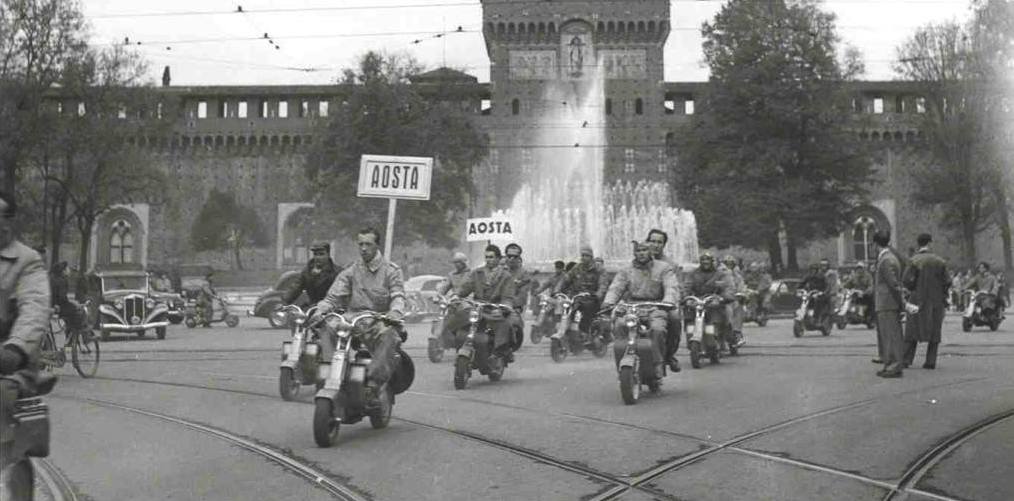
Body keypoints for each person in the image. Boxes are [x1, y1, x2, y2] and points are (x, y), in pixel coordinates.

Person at [0, 191, 52, 501]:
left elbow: (34, 308)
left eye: (4, 219)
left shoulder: (26, 261)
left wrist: (16, 349)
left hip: (9, 366)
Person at [312, 227, 405, 390]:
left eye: (368, 244)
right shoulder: (351, 270)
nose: (363, 248)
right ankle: (333, 371)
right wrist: (321, 309)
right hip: (352, 319)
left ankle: (373, 383)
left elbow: (398, 296)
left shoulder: (391, 271)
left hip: (378, 320)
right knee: (327, 327)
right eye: (360, 244)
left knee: (390, 335)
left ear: (377, 246)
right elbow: (334, 296)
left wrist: (395, 312)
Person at [601, 241, 679, 380]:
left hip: (656, 306)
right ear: (634, 253)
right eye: (638, 251)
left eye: (644, 250)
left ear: (650, 252)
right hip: (632, 306)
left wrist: (668, 301)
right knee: (620, 325)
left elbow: (670, 286)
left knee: (658, 329)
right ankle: (622, 362)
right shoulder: (626, 270)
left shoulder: (663, 268)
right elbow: (616, 287)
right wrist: (608, 302)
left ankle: (658, 363)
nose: (641, 253)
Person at [452, 244, 514, 363]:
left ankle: (497, 354)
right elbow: (466, 287)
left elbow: (508, 295)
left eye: (491, 257)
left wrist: (504, 307)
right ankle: (460, 345)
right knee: (456, 320)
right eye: (486, 257)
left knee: (504, 325)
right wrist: (456, 295)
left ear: (498, 258)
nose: (488, 260)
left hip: (495, 308)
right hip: (477, 307)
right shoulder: (477, 272)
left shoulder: (506, 276)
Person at [902, 233, 949, 369]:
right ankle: (930, 361)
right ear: (930, 243)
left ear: (918, 244)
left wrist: (913, 288)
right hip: (935, 300)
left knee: (912, 329)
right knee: (935, 330)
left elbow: (906, 280)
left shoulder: (913, 260)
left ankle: (906, 359)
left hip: (917, 299)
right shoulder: (940, 261)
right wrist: (942, 293)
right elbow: (947, 281)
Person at [646, 229, 682, 370]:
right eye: (652, 241)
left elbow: (675, 287)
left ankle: (669, 355)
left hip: (664, 304)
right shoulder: (640, 259)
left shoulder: (671, 265)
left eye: (659, 242)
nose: (655, 245)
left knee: (675, 318)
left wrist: (671, 302)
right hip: (642, 303)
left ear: (664, 245)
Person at [873, 229, 908, 378]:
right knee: (889, 335)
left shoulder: (886, 260)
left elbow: (893, 285)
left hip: (887, 302)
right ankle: (890, 364)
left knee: (891, 335)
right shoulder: (890, 258)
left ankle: (894, 366)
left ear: (875, 244)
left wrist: (900, 302)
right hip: (887, 302)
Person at [683, 252, 736, 349]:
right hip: (697, 302)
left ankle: (717, 337)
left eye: (708, 260)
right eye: (703, 260)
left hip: (714, 303)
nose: (705, 262)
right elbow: (686, 287)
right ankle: (691, 336)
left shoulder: (721, 274)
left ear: (712, 262)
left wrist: (722, 298)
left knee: (718, 317)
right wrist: (686, 298)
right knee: (689, 318)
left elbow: (728, 288)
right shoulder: (693, 274)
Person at [553, 245, 608, 337]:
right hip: (576, 297)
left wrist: (598, 295)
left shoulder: (599, 269)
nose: (583, 257)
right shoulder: (577, 268)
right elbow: (566, 279)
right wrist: (557, 290)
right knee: (565, 308)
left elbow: (603, 284)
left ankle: (585, 332)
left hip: (591, 298)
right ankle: (563, 331)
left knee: (587, 310)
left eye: (586, 255)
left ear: (591, 257)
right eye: (582, 255)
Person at [282, 242, 342, 306]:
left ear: (328, 255)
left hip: (330, 309)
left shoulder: (337, 272)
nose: (318, 257)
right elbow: (296, 287)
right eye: (315, 254)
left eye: (321, 254)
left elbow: (341, 294)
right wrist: (284, 302)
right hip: (311, 307)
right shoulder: (307, 271)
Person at [501, 243, 533, 354]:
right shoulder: (500, 270)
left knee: (515, 322)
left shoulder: (524, 273)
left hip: (515, 304)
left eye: (514, 256)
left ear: (519, 257)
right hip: (498, 302)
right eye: (509, 256)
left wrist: (517, 305)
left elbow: (524, 292)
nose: (511, 259)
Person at [49, 261, 87, 337]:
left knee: (72, 315)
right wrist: (74, 304)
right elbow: (62, 298)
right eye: (68, 269)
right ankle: (76, 335)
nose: (69, 270)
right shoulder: (62, 280)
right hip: (60, 307)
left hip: (53, 305)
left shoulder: (53, 278)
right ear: (63, 271)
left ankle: (71, 335)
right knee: (78, 313)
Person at [721, 255, 747, 348]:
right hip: (720, 300)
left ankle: (737, 333)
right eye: (726, 264)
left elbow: (742, 287)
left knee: (738, 310)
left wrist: (741, 294)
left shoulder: (738, 277)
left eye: (731, 264)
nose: (728, 266)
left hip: (733, 300)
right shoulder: (719, 274)